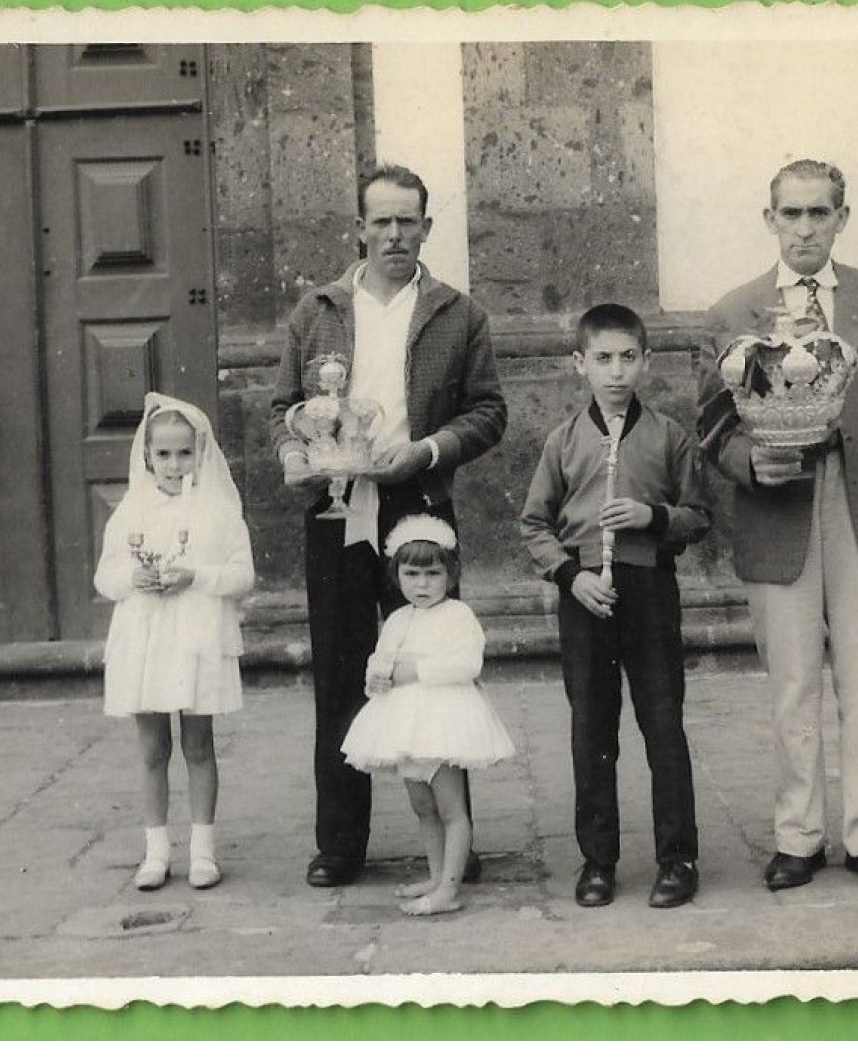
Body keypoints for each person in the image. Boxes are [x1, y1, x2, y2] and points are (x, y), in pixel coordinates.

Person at [696, 159, 858, 893]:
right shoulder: (734, 312)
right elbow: (706, 427)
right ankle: (797, 836)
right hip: (779, 511)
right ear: (768, 220)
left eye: (819, 213)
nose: (805, 228)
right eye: (791, 214)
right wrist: (747, 463)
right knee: (792, 685)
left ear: (841, 217)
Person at [271, 164, 507, 889]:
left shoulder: (457, 314)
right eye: (381, 221)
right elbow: (282, 403)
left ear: (426, 228)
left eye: (408, 221)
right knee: (342, 674)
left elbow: (488, 412)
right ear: (359, 229)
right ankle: (340, 844)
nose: (394, 234)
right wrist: (291, 453)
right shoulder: (315, 312)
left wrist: (426, 451)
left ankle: (452, 851)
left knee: (433, 674)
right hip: (336, 507)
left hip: (417, 510)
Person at [520, 303, 712, 909]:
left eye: (628, 357)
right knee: (591, 730)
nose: (616, 371)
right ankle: (598, 859)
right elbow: (534, 525)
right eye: (602, 359)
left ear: (646, 361)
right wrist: (571, 576)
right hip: (586, 597)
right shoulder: (564, 441)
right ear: (579, 364)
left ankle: (678, 858)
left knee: (662, 725)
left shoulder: (669, 436)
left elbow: (699, 518)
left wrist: (652, 516)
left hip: (649, 588)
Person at [94, 393, 256, 891]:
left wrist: (196, 576)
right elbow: (106, 576)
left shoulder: (219, 513)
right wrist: (131, 580)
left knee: (198, 744)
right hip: (145, 639)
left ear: (200, 453)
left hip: (195, 638)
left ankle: (203, 850)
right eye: (162, 454)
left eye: (184, 453)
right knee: (151, 749)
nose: (173, 464)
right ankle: (156, 850)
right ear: (147, 456)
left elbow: (241, 575)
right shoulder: (129, 513)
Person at [341, 515, 515, 916]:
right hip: (405, 724)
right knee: (423, 806)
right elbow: (379, 661)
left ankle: (449, 889)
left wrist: (415, 670)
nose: (422, 584)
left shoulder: (458, 616)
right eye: (412, 574)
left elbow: (468, 664)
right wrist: (377, 679)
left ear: (450, 575)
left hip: (443, 721)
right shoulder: (398, 619)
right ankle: (436, 875)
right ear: (397, 576)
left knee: (451, 808)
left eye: (432, 573)